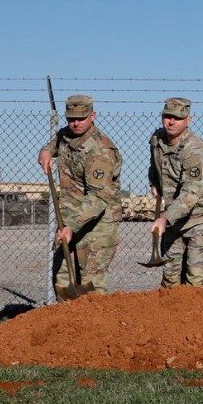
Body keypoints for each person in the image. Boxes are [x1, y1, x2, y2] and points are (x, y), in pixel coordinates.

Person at [37, 95, 123, 295]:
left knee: (91, 286)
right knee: (62, 279)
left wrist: (72, 227)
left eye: (81, 118)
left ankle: (96, 326)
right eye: (71, 118)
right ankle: (66, 325)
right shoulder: (67, 134)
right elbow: (57, 140)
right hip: (69, 219)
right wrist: (46, 151)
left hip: (97, 223)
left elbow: (98, 197)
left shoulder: (100, 151)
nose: (75, 123)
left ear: (92, 116)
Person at [148, 97, 203, 287]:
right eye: (167, 116)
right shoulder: (157, 140)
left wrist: (164, 218)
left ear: (188, 120)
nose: (171, 122)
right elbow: (155, 165)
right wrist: (154, 182)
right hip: (175, 219)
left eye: (178, 118)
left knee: (195, 283)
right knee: (170, 280)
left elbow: (191, 193)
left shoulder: (194, 149)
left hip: (202, 217)